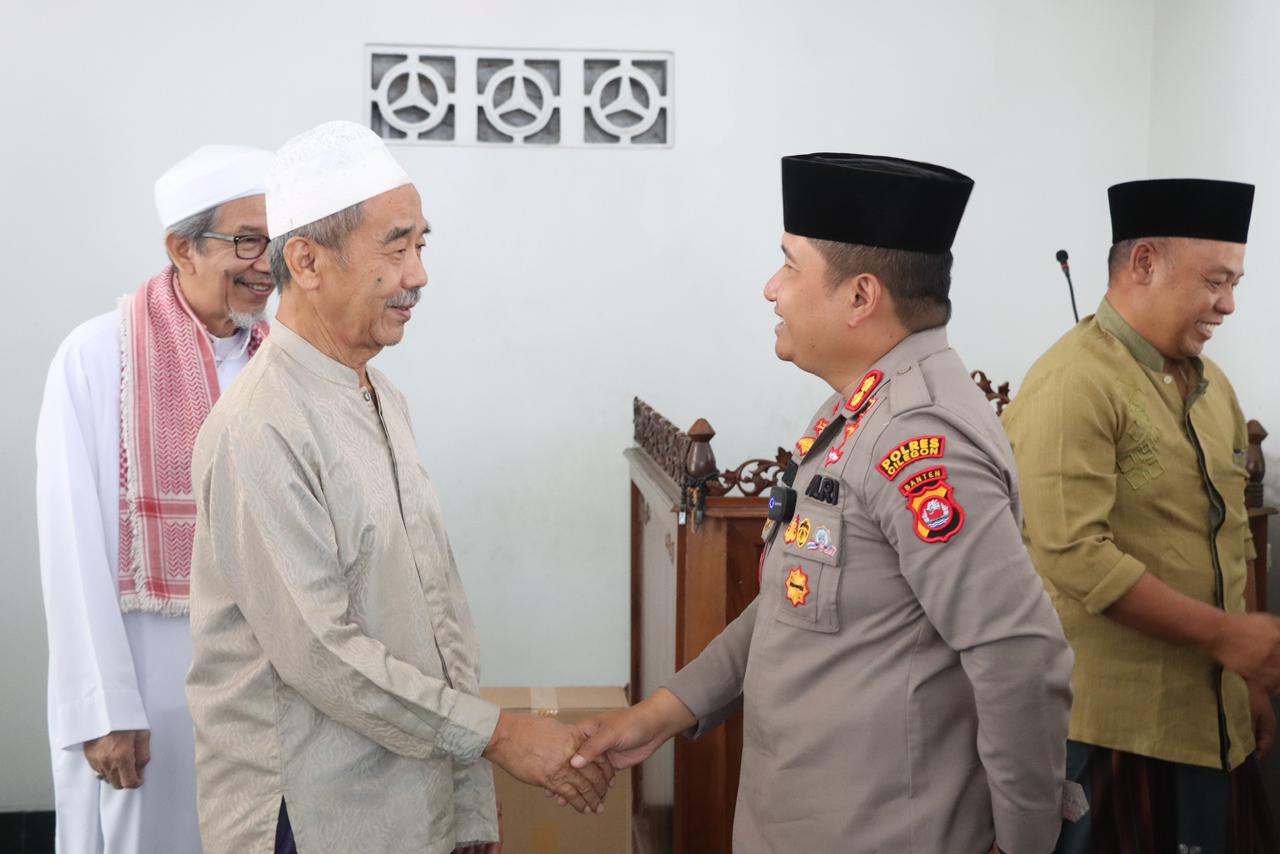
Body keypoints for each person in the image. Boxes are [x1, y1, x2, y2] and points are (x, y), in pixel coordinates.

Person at [570, 153, 1074, 853]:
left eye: (790, 265)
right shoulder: (857, 411)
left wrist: (1024, 845)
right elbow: (794, 600)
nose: (771, 288)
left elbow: (1019, 656)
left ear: (861, 296)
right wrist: (665, 710)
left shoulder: (920, 440)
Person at [186, 121, 611, 854]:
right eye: (396, 247)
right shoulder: (259, 427)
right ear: (307, 261)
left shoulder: (379, 396)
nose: (418, 275)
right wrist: (500, 737)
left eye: (421, 246)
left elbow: (438, 615)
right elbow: (323, 655)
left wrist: (467, 805)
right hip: (312, 815)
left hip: (414, 802)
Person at [1003, 178, 1279, 854]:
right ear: (1145, 263)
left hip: (1214, 724)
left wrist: (1247, 675)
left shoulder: (1213, 388)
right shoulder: (1073, 381)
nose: (1229, 304)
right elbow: (1076, 556)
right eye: (1216, 280)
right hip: (1114, 734)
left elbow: (1236, 535)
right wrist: (1228, 637)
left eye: (1235, 282)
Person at [35, 143, 275, 853]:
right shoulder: (98, 355)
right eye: (247, 241)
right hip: (148, 692)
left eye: (279, 241)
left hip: (264, 696)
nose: (267, 264)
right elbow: (70, 541)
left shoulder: (281, 360)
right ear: (182, 248)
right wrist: (102, 706)